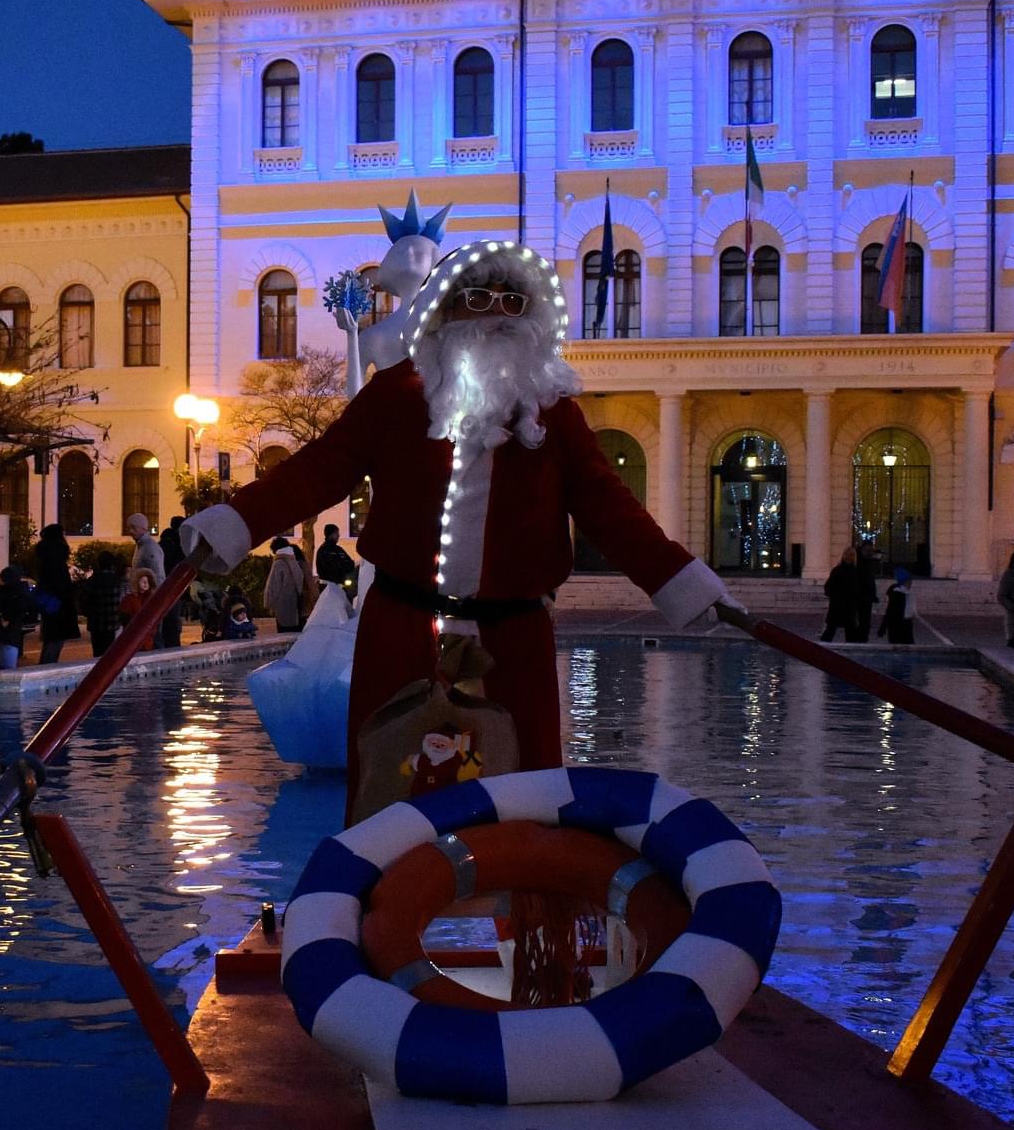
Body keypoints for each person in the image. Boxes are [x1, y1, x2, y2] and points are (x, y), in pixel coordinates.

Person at [180, 241, 733, 818]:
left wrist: (683, 582)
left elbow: (612, 511)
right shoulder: (394, 398)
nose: (496, 313)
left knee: (530, 804)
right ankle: (376, 906)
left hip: (513, 643)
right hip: (400, 631)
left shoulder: (555, 416)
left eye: (513, 301)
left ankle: (532, 905)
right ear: (444, 310)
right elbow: (316, 471)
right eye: (477, 298)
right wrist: (235, 523)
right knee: (384, 796)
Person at [33, 523, 80, 664]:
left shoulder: (45, 556)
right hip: (59, 604)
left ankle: (46, 666)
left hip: (51, 603)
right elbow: (60, 583)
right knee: (55, 640)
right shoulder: (56, 557)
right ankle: (46, 668)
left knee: (52, 639)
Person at [0, 565, 34, 670]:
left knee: (6, 666)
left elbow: (20, 606)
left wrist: (6, 617)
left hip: (7, 635)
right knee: (1, 664)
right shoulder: (8, 591)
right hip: (2, 634)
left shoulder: (12, 593)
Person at [83, 550, 126, 657]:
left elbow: (84, 603)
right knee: (110, 654)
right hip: (112, 623)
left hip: (96, 624)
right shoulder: (117, 581)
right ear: (112, 564)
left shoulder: (92, 581)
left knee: (97, 653)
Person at [821, 547, 868, 643]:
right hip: (849, 606)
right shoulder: (855, 572)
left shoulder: (837, 570)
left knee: (830, 631)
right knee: (850, 633)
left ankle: (820, 649)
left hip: (836, 605)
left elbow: (828, 588)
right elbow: (858, 591)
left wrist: (834, 596)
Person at [264, 538, 307, 632]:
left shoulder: (279, 562)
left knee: (283, 633)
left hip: (282, 605)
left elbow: (273, 585)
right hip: (296, 604)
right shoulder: (294, 560)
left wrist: (269, 603)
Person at [158, 516, 187, 650]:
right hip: (171, 587)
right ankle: (172, 644)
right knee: (172, 619)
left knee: (172, 619)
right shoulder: (173, 543)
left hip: (173, 586)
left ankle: (171, 643)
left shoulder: (171, 542)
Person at [119, 568, 160, 651]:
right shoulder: (129, 599)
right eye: (143, 581)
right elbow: (125, 620)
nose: (145, 583)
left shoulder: (152, 600)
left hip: (148, 641)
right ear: (136, 582)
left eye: (147, 581)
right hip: (133, 641)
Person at [853, 541, 880, 643]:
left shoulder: (868, 560)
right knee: (860, 618)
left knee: (865, 618)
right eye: (868, 549)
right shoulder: (859, 561)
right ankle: (860, 637)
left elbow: (871, 579)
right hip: (860, 594)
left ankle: (863, 637)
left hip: (866, 594)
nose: (870, 551)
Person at [882, 568, 917, 645]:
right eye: (908, 581)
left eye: (911, 581)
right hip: (897, 625)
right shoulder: (897, 594)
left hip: (906, 623)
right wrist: (883, 627)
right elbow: (890, 611)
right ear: (903, 582)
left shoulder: (908, 593)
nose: (911, 583)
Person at [127, 512, 165, 585]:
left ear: (143, 528)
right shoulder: (140, 546)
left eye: (133, 527)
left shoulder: (151, 548)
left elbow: (158, 576)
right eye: (129, 528)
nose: (130, 531)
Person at [316, 523, 355, 591]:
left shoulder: (339, 549)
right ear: (330, 535)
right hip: (327, 588)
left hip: (340, 587)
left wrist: (343, 566)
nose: (338, 535)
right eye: (336, 533)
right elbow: (332, 569)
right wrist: (343, 566)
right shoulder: (324, 551)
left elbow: (351, 564)